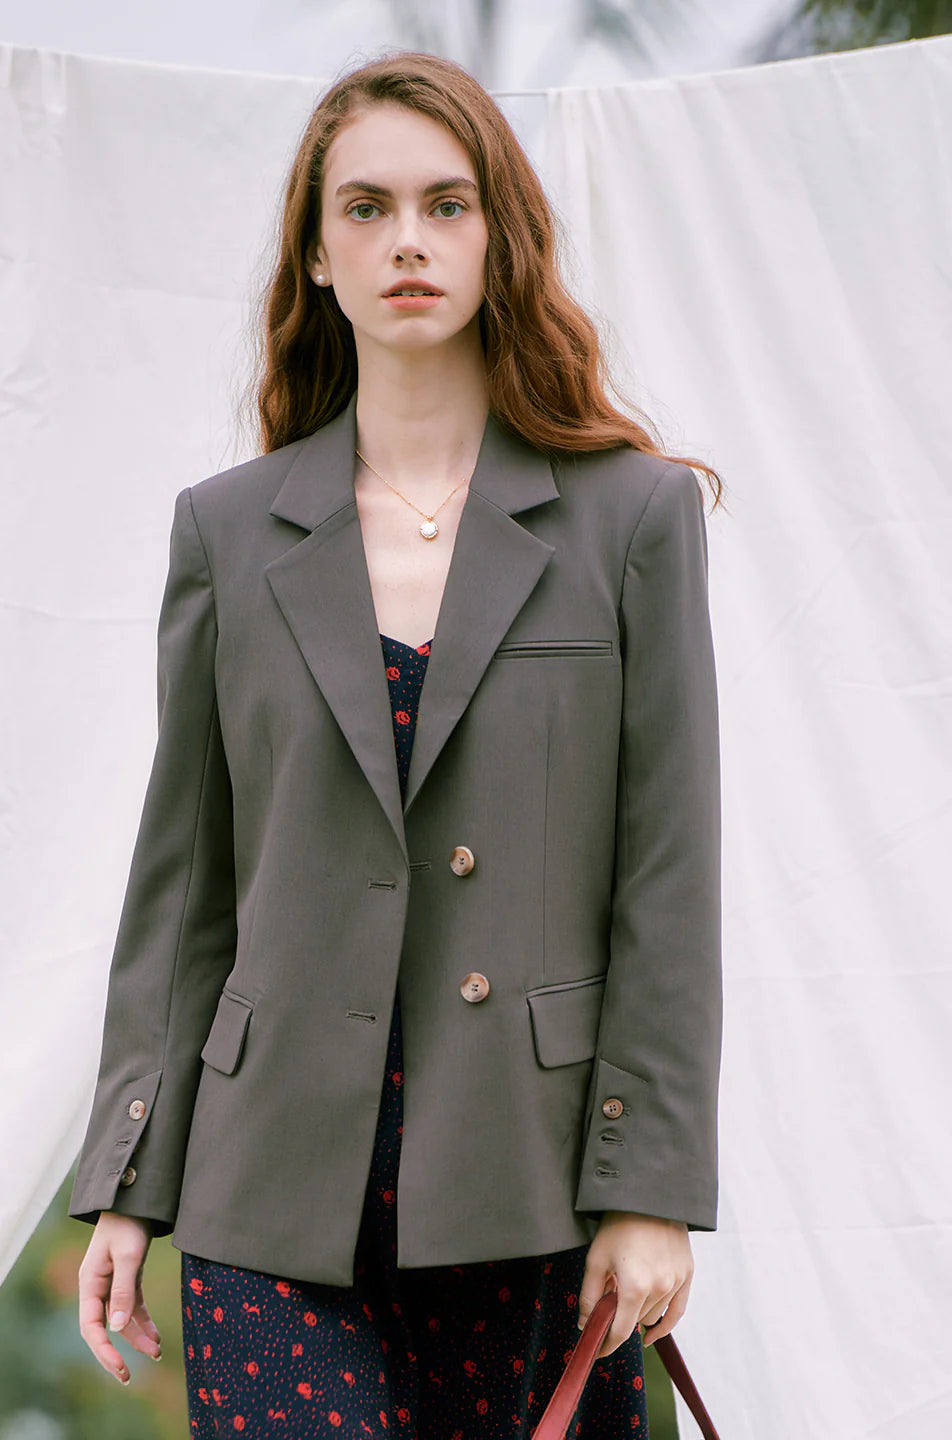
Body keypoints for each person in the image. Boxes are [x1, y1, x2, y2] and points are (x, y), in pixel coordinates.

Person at [69, 49, 724, 1439]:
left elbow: (668, 880)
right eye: (364, 208)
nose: (407, 240)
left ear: (500, 236)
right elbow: (185, 885)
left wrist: (650, 1189)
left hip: (534, 1189)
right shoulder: (227, 532)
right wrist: (130, 1173)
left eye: (446, 204)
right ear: (317, 253)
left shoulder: (632, 520)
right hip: (269, 1195)